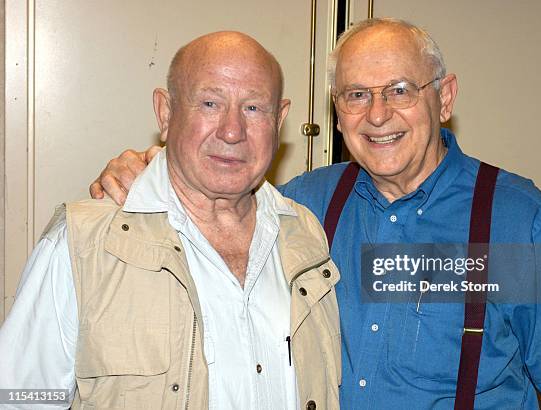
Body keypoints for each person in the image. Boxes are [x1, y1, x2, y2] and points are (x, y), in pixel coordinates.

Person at [90, 18, 541, 409]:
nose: (378, 115)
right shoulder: (300, 207)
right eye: (357, 95)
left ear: (445, 98)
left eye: (401, 90)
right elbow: (209, 196)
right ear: (337, 114)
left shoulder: (527, 224)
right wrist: (147, 169)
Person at [0, 32, 342, 410]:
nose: (232, 131)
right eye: (210, 103)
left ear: (279, 120)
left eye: (253, 108)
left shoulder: (304, 234)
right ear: (165, 113)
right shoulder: (82, 243)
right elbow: (19, 397)